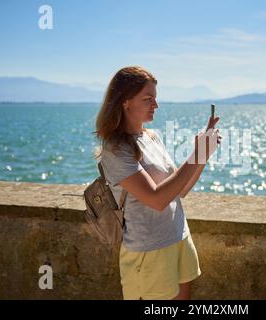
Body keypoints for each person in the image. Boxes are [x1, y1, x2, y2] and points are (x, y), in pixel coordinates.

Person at [93, 66, 222, 300]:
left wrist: (202, 154)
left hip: (178, 236)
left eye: (156, 98)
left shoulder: (152, 137)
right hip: (148, 251)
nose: (156, 105)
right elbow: (156, 199)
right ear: (125, 101)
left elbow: (180, 189)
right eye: (148, 98)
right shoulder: (115, 149)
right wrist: (196, 155)